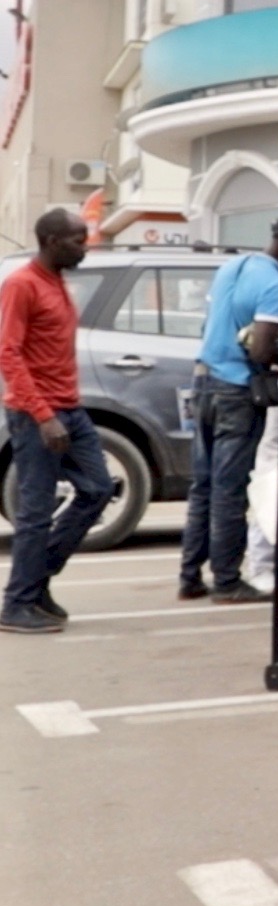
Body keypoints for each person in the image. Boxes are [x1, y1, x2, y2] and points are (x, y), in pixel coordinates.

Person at [2, 209, 106, 633]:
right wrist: (44, 416)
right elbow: (8, 353)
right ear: (51, 241)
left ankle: (36, 577)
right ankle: (17, 604)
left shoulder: (58, 282)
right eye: (78, 240)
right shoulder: (21, 285)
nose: (85, 248)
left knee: (99, 490)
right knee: (36, 511)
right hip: (36, 414)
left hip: (70, 408)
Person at [181, 214, 278, 605]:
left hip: (204, 382)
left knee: (203, 486)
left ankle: (190, 577)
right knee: (229, 491)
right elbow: (262, 349)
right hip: (237, 391)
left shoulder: (231, 267)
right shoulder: (274, 284)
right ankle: (227, 582)